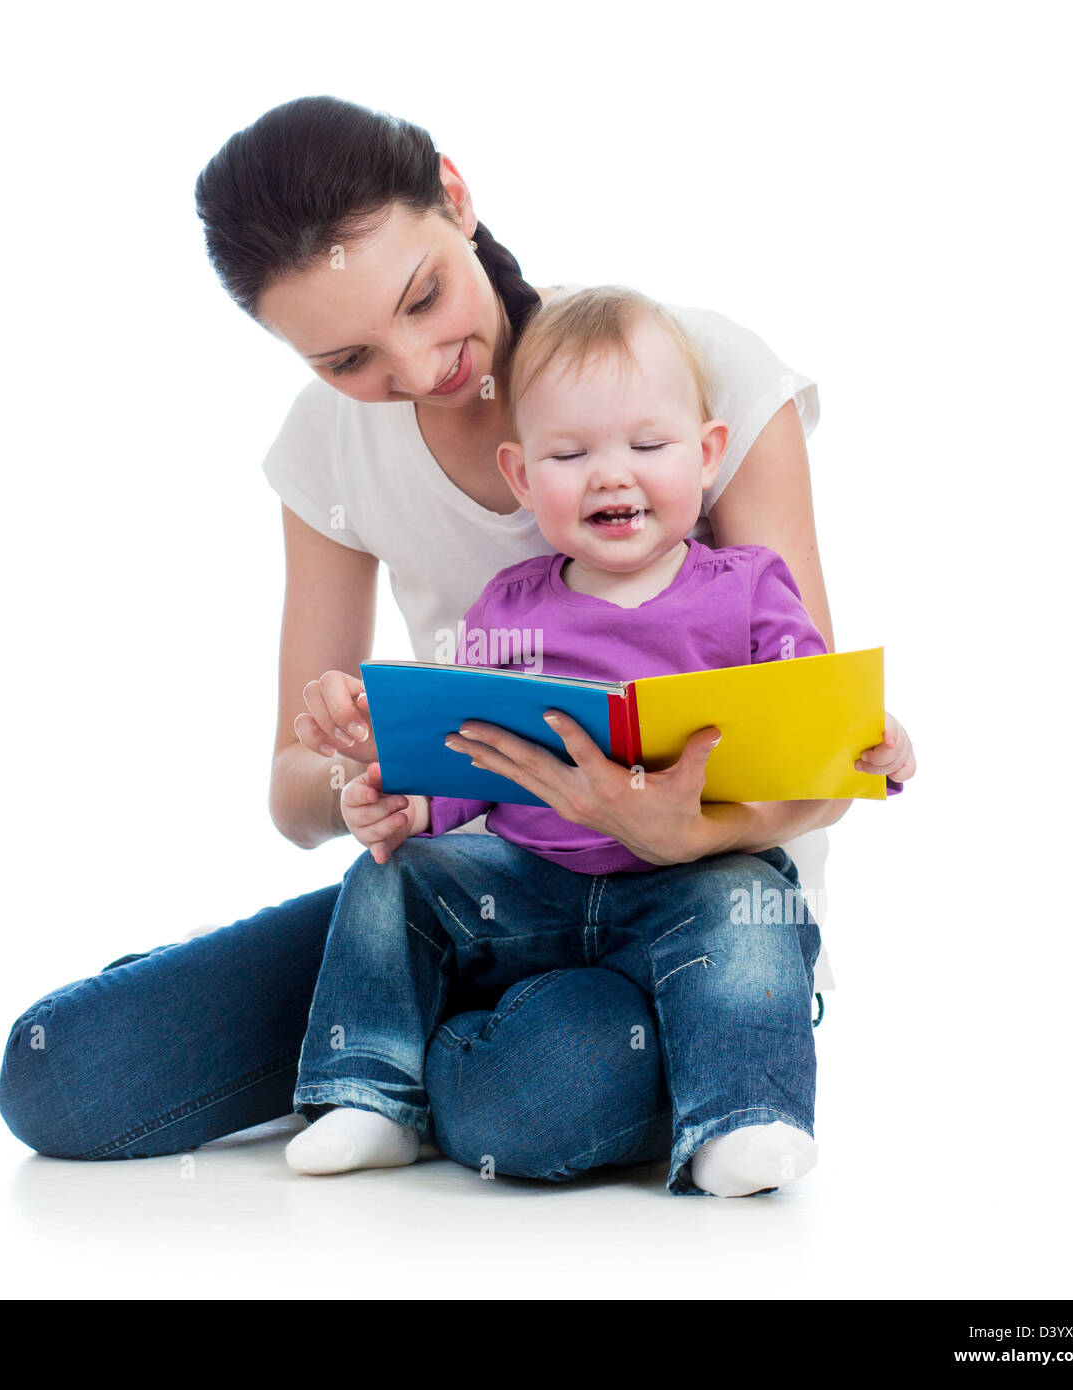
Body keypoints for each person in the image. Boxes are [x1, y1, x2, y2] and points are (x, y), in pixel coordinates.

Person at [0, 96, 915, 1175]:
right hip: (477, 886)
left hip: (695, 914)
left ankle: (419, 1066)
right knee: (61, 1074)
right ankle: (386, 1058)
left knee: (541, 1091)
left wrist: (687, 834)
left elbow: (817, 743)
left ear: (456, 195)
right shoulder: (328, 449)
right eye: (347, 358)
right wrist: (352, 772)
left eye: (423, 296)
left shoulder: (686, 368)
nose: (420, 364)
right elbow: (292, 796)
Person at [285, 285, 903, 1195]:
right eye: (570, 455)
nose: (612, 475)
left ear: (707, 455)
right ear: (524, 477)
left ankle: (744, 1115)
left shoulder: (746, 588)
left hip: (687, 884)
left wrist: (874, 743)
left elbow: (811, 713)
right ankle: (368, 1092)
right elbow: (474, 756)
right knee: (390, 877)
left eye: (648, 447)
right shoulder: (511, 607)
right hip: (532, 885)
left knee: (749, 913)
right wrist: (409, 803)